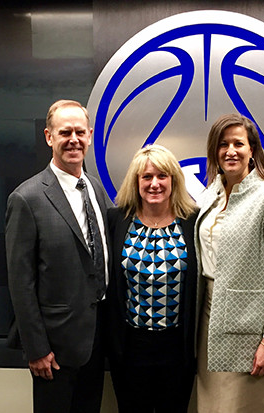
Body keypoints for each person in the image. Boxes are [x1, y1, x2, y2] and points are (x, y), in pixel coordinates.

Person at [5, 99, 109, 413]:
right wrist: (36, 349)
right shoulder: (27, 198)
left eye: (80, 132)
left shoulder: (94, 186)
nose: (73, 140)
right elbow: (20, 283)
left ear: (90, 136)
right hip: (55, 349)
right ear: (49, 137)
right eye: (65, 133)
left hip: (95, 338)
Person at [195, 114, 264, 412]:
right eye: (223, 144)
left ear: (252, 149)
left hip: (253, 332)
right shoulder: (210, 194)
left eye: (238, 143)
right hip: (209, 323)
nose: (230, 151)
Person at [106, 144, 198, 413]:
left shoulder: (192, 221)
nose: (154, 183)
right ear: (136, 182)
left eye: (162, 176)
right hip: (130, 347)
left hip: (177, 348)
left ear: (174, 180)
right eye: (146, 177)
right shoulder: (117, 220)